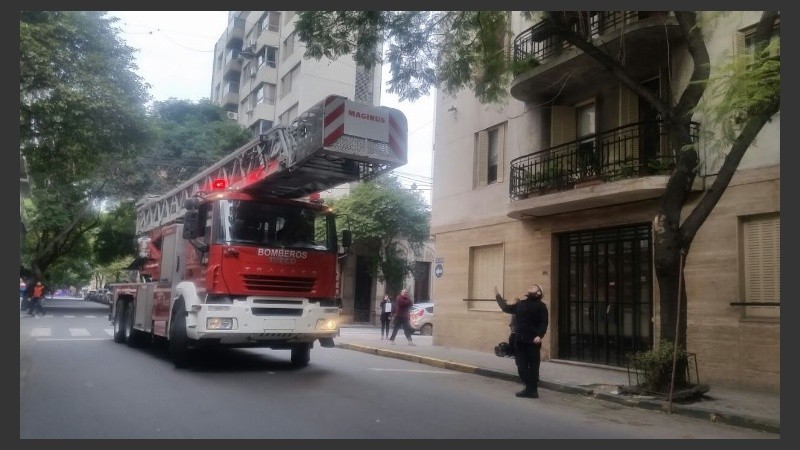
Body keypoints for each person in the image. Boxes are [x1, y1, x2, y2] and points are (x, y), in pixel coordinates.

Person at [494, 284, 548, 398]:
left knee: (533, 368)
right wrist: (497, 295)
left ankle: (531, 391)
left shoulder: (541, 306)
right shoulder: (521, 304)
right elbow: (505, 308)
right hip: (519, 341)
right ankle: (531, 389)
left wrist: (540, 335)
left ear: (539, 293)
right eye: (531, 286)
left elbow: (544, 323)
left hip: (533, 342)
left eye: (535, 287)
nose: (531, 287)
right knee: (521, 367)